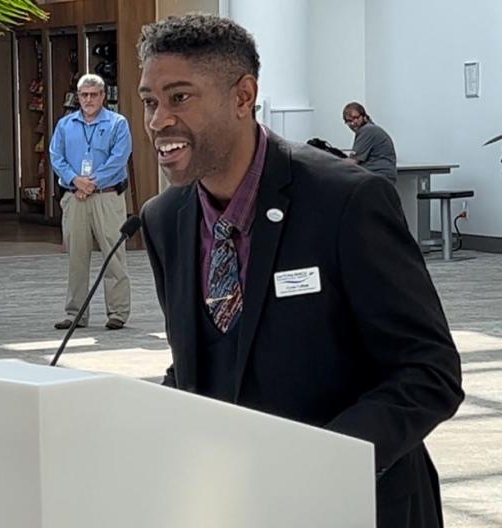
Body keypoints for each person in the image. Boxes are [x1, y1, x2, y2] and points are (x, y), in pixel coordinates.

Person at [137, 14, 462, 528]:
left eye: (179, 97)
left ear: (243, 97)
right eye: (150, 102)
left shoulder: (347, 202)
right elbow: (199, 365)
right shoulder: (164, 220)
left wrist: (316, 462)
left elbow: (429, 374)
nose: (157, 121)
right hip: (236, 508)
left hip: (360, 506)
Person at [49, 73, 132, 330]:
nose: (88, 99)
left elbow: (119, 158)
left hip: (107, 196)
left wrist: (91, 182)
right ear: (78, 97)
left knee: (113, 255)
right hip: (75, 197)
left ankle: (117, 313)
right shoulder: (65, 125)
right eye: (83, 95)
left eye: (93, 94)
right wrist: (76, 180)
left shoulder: (118, 123)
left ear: (103, 96)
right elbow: (56, 156)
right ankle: (75, 314)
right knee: (76, 257)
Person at [343, 101, 398, 183]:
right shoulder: (372, 129)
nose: (352, 123)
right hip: (382, 176)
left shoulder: (367, 130)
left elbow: (352, 162)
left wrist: (331, 165)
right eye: (348, 121)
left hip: (377, 176)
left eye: (355, 118)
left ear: (364, 116)